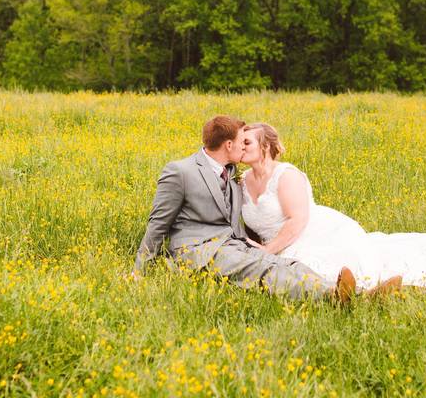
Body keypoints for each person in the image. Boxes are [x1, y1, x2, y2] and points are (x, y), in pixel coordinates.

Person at [239, 122, 426, 309]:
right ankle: (351, 293)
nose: (241, 147)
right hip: (277, 245)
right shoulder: (243, 181)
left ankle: (366, 291)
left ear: (265, 145)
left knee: (342, 262)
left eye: (247, 142)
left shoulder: (286, 176)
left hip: (311, 233)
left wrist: (267, 252)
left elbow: (297, 222)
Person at [133, 115, 360, 303]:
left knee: (285, 263)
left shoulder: (231, 171)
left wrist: (251, 243)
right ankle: (330, 295)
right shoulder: (181, 171)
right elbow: (158, 223)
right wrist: (139, 270)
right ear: (228, 145)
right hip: (199, 251)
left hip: (232, 243)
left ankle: (356, 295)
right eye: (243, 141)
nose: (244, 146)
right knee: (261, 270)